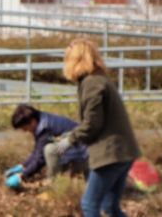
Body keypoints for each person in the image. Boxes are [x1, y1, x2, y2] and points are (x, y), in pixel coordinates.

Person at [54, 39, 140, 217]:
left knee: (89, 205)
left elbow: (93, 124)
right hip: (124, 152)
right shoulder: (100, 80)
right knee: (111, 207)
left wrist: (70, 139)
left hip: (110, 155)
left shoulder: (92, 84)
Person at [4, 104, 89, 188]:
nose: (26, 131)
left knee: (50, 150)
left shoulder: (45, 128)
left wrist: (22, 176)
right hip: (78, 153)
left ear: (33, 122)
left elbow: (40, 159)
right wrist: (22, 166)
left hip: (84, 157)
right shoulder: (42, 120)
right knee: (50, 149)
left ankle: (55, 185)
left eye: (25, 128)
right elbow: (37, 151)